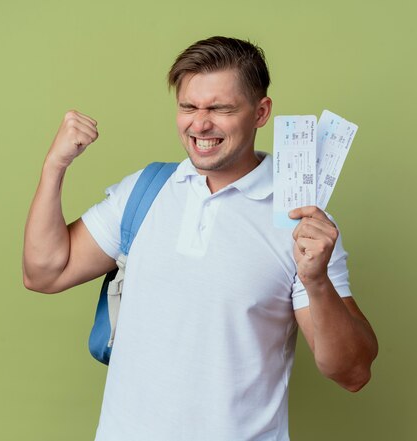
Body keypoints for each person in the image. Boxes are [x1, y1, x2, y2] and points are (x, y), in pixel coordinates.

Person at [22, 36, 378, 441]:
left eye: (220, 108)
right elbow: (44, 274)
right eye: (188, 107)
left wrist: (316, 280)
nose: (200, 123)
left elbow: (352, 372)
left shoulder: (301, 223)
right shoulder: (145, 190)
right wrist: (55, 166)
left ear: (261, 112)